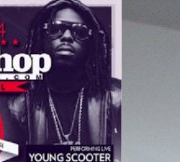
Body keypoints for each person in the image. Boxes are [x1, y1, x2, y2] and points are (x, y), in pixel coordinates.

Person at [9, 0, 120, 152]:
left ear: (91, 44)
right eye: (55, 29)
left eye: (80, 31)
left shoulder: (117, 99)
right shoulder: (18, 105)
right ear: (41, 38)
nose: (67, 36)